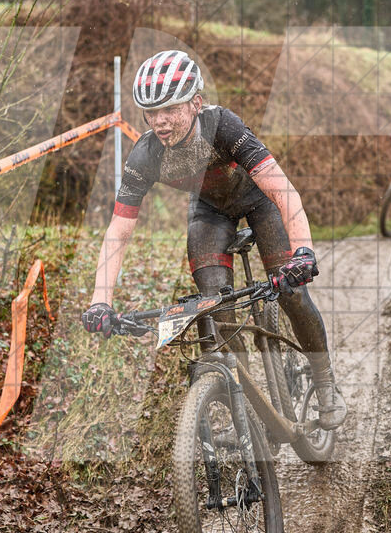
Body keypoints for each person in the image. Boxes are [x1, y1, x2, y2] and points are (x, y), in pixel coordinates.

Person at [80, 50, 347, 430]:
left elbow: (283, 192)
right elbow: (119, 231)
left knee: (291, 291)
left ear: (196, 103)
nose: (159, 121)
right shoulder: (146, 154)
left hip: (260, 202)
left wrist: (302, 252)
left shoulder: (224, 127)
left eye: (169, 109)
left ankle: (325, 383)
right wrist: (100, 301)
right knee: (215, 305)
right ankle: (247, 407)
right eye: (150, 112)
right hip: (209, 212)